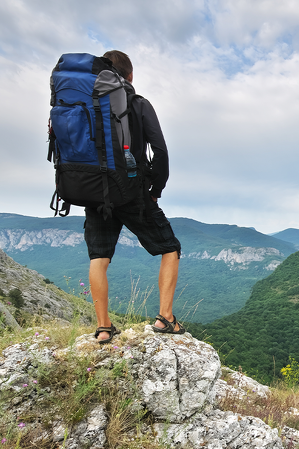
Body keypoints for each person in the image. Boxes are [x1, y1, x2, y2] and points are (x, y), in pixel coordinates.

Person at [86, 50, 184, 343]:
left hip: (95, 193)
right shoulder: (137, 103)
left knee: (99, 257)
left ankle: (104, 328)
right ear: (129, 76)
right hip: (132, 192)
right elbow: (161, 151)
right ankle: (165, 318)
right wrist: (156, 189)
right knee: (170, 247)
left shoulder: (85, 105)